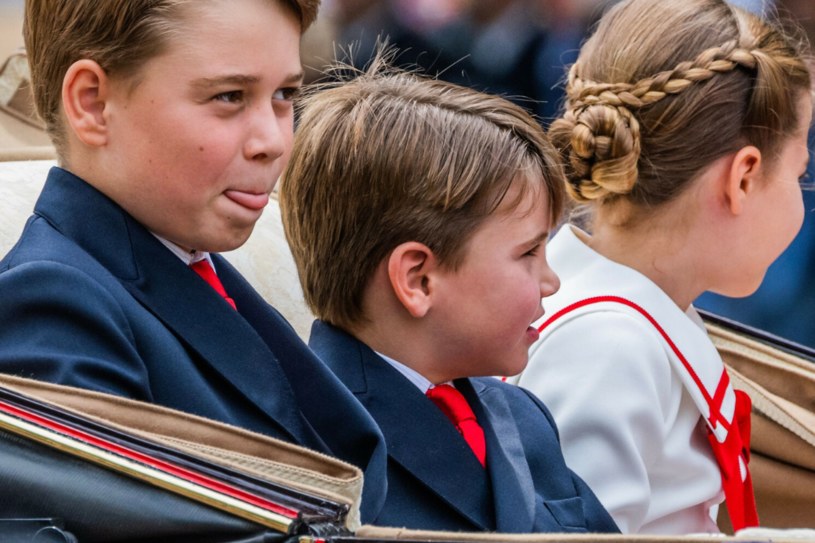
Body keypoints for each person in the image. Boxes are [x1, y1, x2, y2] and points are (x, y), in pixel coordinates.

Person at [0, 0, 388, 522]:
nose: (273, 141)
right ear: (92, 103)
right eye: (229, 96)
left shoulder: (190, 265)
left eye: (285, 95)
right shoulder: (54, 304)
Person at [278, 55, 619, 534]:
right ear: (418, 280)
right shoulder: (311, 442)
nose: (551, 282)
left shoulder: (522, 417)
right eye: (527, 254)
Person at [511, 0, 812, 534]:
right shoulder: (607, 347)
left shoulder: (627, 317)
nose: (801, 196)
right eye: (798, 172)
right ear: (743, 178)